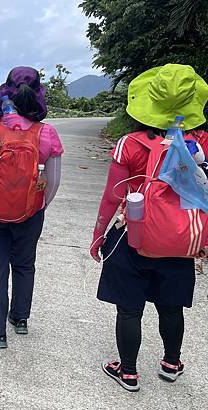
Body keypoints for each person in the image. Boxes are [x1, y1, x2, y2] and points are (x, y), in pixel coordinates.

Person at [90, 64, 208, 392]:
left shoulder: (130, 143)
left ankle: (128, 372)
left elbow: (112, 197)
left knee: (129, 308)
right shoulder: (203, 146)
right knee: (171, 306)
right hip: (181, 239)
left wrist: (99, 235)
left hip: (133, 236)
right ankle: (172, 363)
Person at [0, 67, 63, 348]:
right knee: (24, 264)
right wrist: (39, 205)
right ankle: (19, 319)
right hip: (30, 212)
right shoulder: (47, 133)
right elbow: (54, 181)